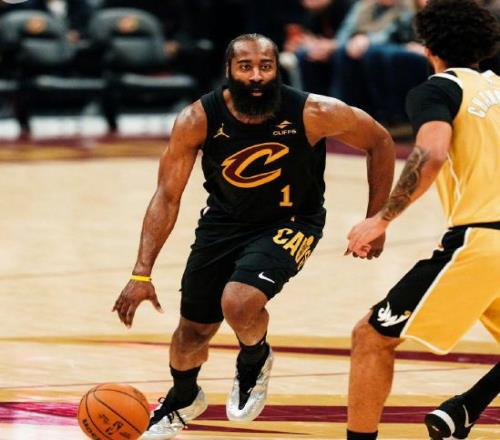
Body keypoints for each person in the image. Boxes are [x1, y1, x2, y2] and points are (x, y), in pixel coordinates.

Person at [113, 33, 395, 439]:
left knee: (239, 300)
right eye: (246, 67)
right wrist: (141, 273)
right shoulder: (198, 119)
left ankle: (254, 359)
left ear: (277, 69)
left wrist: (377, 219)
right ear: (229, 70)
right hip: (223, 223)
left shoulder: (314, 112)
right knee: (191, 333)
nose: (257, 76)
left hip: (292, 221)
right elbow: (167, 196)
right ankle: (184, 397)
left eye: (266, 66)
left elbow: (380, 141)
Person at [345, 1, 500, 439]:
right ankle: (464, 410)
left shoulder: (438, 90)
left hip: (483, 240)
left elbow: (431, 154)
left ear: (428, 47)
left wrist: (381, 219)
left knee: (371, 337)